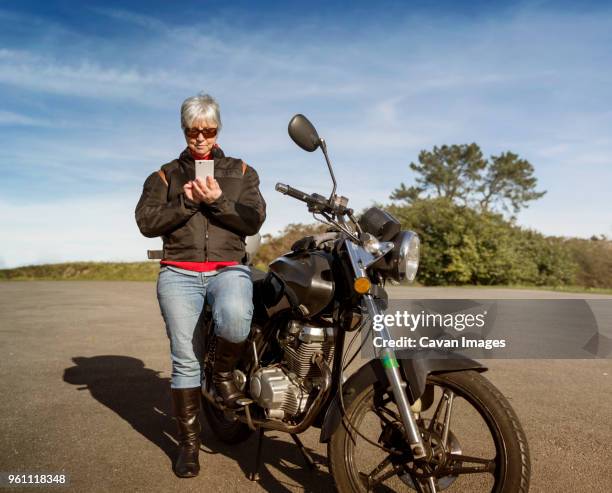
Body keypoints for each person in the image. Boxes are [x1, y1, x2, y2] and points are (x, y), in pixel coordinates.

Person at [135, 93, 266, 478]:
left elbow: (253, 220)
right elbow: (147, 222)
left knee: (237, 321)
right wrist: (187, 203)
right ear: (184, 130)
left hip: (228, 267)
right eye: (194, 131)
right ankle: (188, 447)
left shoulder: (242, 171)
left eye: (208, 130)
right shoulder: (163, 175)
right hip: (179, 271)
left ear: (218, 129)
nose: (201, 138)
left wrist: (219, 200)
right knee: (184, 359)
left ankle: (223, 374)